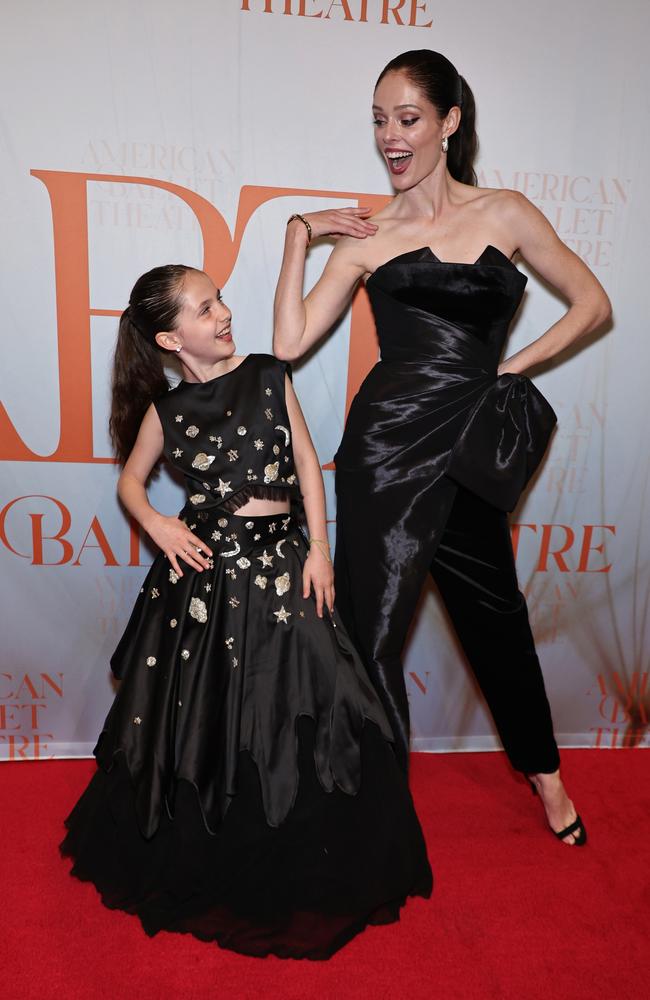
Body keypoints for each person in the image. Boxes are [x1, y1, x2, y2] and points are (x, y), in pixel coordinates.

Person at [273, 50, 611, 847]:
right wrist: (299, 234)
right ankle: (369, 799)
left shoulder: (506, 211)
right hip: (386, 451)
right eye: (380, 121)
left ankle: (548, 777)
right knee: (369, 629)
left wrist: (507, 372)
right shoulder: (368, 235)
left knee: (497, 617)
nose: (392, 137)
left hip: (468, 448)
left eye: (408, 119)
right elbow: (287, 342)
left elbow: (592, 304)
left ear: (449, 122)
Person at [60, 264, 432, 960]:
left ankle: (313, 851)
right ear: (171, 339)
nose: (224, 313)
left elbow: (308, 464)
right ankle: (222, 850)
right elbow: (132, 483)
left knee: (324, 710)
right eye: (206, 309)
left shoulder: (267, 373)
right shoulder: (164, 414)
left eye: (221, 298)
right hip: (210, 581)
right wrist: (160, 526)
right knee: (217, 721)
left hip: (289, 565)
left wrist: (320, 550)